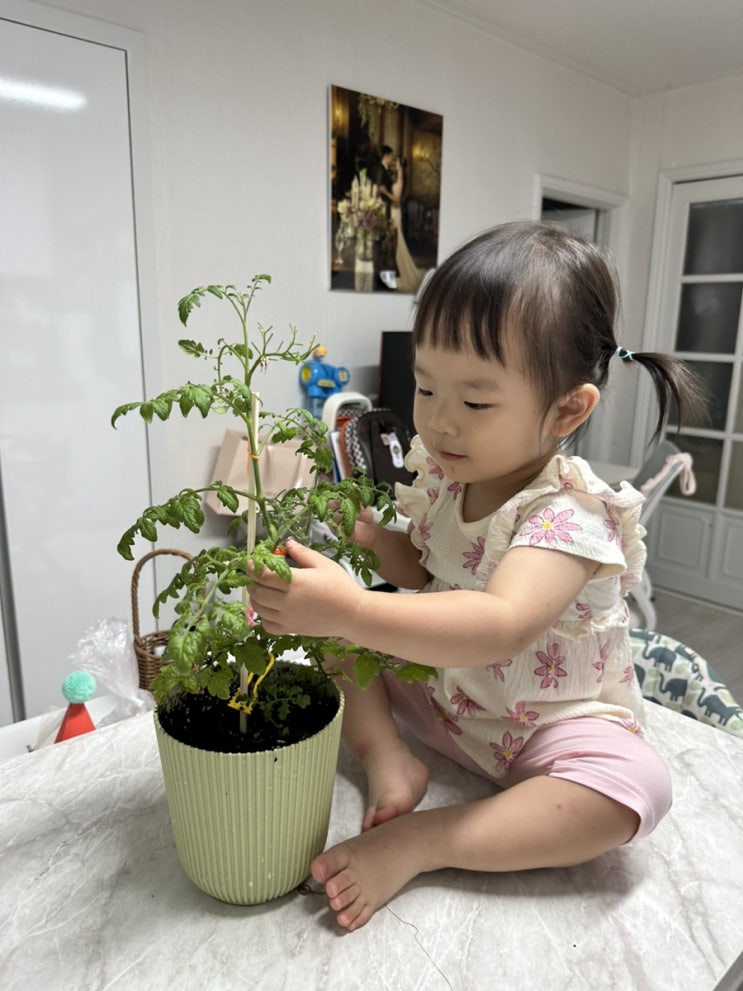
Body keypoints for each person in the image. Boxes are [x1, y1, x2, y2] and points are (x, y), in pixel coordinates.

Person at [248, 221, 707, 932]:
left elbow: (500, 623)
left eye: (475, 402)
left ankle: (427, 840)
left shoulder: (569, 513)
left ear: (566, 409)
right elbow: (424, 564)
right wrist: (369, 542)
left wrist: (349, 608)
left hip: (544, 728)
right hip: (447, 702)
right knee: (337, 643)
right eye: (425, 387)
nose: (439, 422)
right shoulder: (447, 482)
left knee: (635, 787)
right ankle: (388, 757)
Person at [390, 156, 424, 294]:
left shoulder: (400, 179)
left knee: (396, 238)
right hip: (392, 210)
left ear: (401, 166)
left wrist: (385, 192)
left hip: (395, 211)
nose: (395, 164)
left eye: (397, 162)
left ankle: (400, 267)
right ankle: (396, 265)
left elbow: (397, 200)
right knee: (394, 238)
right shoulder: (395, 178)